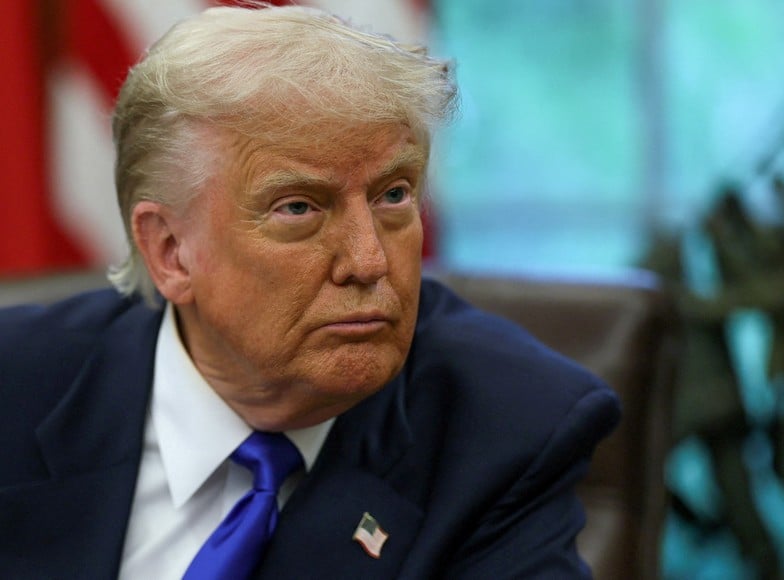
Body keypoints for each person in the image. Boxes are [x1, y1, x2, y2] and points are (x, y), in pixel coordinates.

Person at [0, 4, 620, 578]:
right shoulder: (17, 387)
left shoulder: (507, 428)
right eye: (298, 208)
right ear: (170, 251)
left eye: (394, 196)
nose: (369, 261)